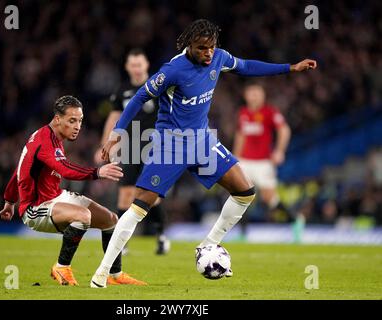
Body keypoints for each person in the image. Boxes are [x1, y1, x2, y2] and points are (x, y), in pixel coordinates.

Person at [91, 19, 317, 288]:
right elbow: (140, 96)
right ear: (190, 46)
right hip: (170, 145)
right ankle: (102, 273)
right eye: (201, 48)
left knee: (245, 192)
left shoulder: (219, 57)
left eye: (211, 47)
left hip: (201, 142)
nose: (208, 53)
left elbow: (246, 67)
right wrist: (117, 133)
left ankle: (208, 245)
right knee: (139, 206)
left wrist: (289, 68)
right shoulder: (173, 70)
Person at [0, 95, 146, 286]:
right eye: (72, 121)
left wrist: (9, 201)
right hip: (35, 207)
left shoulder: (50, 136)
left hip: (56, 196)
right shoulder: (45, 141)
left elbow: (20, 169)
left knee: (111, 220)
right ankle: (61, 267)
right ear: (58, 119)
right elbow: (65, 169)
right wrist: (97, 172)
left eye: (80, 121)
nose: (77, 126)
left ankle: (114, 274)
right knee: (83, 216)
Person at [95, 49, 170, 255]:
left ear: (146, 65)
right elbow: (114, 118)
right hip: (128, 148)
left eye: (140, 64)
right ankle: (122, 242)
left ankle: (161, 236)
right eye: (133, 65)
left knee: (152, 194)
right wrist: (105, 144)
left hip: (154, 147)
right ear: (128, 67)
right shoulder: (122, 90)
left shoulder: (158, 87)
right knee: (125, 194)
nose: (136, 69)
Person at [233, 83, 305, 242]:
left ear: (263, 96)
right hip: (244, 161)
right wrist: (235, 157)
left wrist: (279, 150)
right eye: (251, 93)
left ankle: (295, 220)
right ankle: (243, 234)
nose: (254, 96)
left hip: (263, 163)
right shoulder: (243, 113)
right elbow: (240, 135)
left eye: (257, 93)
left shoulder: (269, 112)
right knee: (240, 196)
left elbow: (284, 130)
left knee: (270, 199)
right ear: (245, 95)